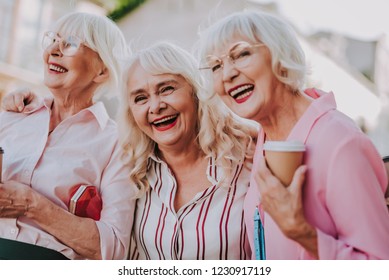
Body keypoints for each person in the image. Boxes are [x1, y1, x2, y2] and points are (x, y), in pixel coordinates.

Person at [196, 10, 389, 259]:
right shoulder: (265, 143)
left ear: (281, 55)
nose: (227, 74)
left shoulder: (340, 143)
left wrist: (301, 232)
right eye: (215, 66)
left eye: (242, 54)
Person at [0, 12, 136, 260]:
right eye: (53, 39)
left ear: (102, 71)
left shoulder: (116, 144)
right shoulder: (10, 116)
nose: (53, 49)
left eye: (70, 43)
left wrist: (32, 204)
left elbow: (112, 248)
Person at [118, 41, 256, 259]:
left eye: (166, 89)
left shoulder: (249, 158)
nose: (155, 107)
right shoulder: (130, 173)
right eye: (141, 98)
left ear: (196, 91)